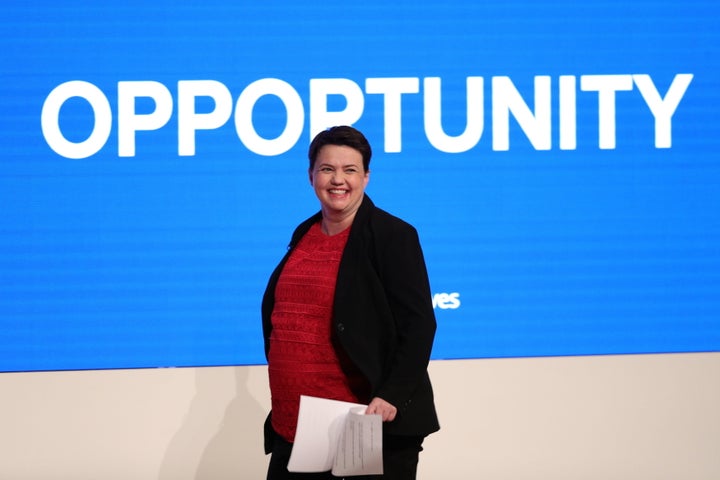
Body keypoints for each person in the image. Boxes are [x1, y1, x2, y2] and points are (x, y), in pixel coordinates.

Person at [261, 125, 440, 479]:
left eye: (350, 170)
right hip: (295, 427)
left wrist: (392, 395)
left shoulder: (393, 236)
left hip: (366, 425)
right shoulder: (304, 233)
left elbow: (419, 324)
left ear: (367, 177)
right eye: (327, 169)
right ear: (311, 175)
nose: (337, 180)